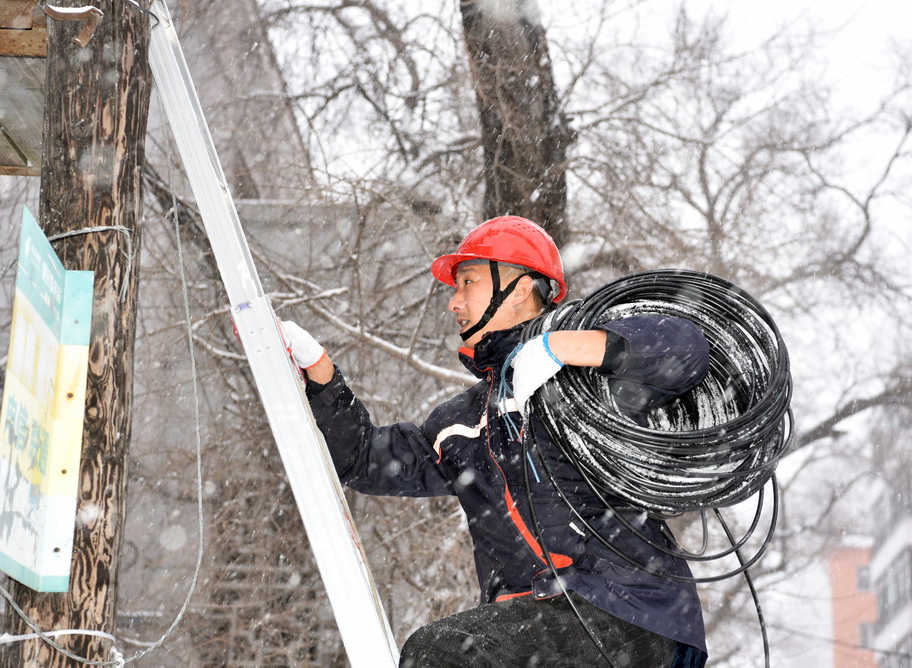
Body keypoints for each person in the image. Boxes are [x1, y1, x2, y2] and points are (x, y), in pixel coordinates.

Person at [282, 216, 710, 667]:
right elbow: (366, 461)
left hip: (629, 614)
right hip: (537, 628)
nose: (454, 302)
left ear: (520, 289)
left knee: (442, 654)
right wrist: (323, 377)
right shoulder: (464, 421)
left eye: (467, 282)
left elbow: (686, 348)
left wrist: (562, 349)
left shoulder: (589, 383)